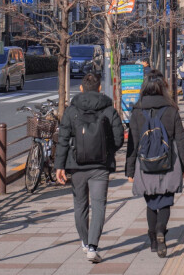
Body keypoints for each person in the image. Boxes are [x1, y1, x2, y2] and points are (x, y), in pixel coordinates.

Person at [55, 72, 124, 263]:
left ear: (82, 89)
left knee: (80, 205)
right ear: (100, 88)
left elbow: (62, 140)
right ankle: (93, 247)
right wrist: (106, 149)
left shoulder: (72, 110)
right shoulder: (109, 109)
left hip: (76, 165)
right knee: (99, 204)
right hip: (100, 166)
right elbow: (119, 139)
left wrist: (59, 166)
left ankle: (85, 242)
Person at [125, 70, 184, 258]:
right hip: (168, 162)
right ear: (163, 88)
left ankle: (153, 241)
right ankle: (161, 230)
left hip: (145, 165)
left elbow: (133, 143)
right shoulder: (171, 109)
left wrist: (129, 170)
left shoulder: (137, 111)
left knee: (151, 202)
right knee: (166, 200)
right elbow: (181, 140)